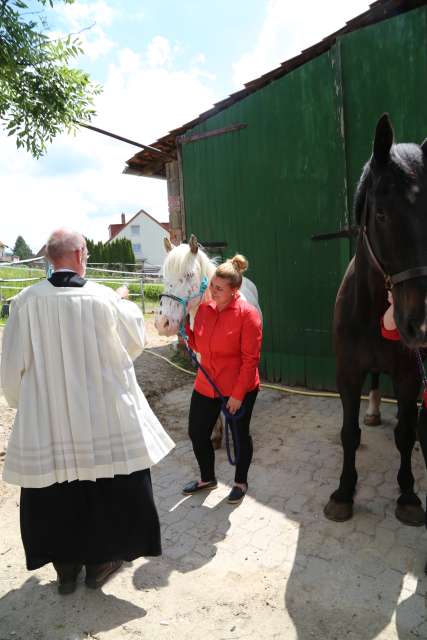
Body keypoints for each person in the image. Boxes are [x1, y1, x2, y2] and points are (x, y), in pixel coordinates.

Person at [0, 228, 174, 594]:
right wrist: (124, 302)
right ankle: (99, 564)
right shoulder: (106, 298)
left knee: (55, 490)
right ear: (80, 255)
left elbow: (11, 365)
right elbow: (135, 344)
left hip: (49, 420)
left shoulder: (26, 302)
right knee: (108, 488)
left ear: (50, 256)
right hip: (102, 416)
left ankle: (65, 569)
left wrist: (23, 405)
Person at [182, 254, 262, 505]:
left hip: (238, 388)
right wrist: (185, 327)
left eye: (218, 288)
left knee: (239, 437)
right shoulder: (205, 310)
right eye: (211, 286)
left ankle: (240, 482)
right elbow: (199, 344)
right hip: (206, 384)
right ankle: (208, 478)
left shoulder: (247, 315)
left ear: (234, 290)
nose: (212, 292)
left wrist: (238, 395)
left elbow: (250, 361)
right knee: (197, 432)